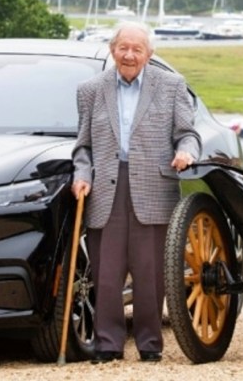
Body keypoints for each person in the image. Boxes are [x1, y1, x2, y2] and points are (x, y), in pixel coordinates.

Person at [71, 21, 200, 364]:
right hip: (105, 189)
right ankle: (108, 344)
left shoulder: (172, 86)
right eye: (122, 48)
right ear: (112, 49)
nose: (129, 55)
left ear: (149, 54)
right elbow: (82, 147)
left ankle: (149, 344)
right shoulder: (90, 90)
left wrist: (186, 153)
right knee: (107, 273)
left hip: (154, 187)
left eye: (137, 49)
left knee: (150, 272)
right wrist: (82, 175)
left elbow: (188, 134)